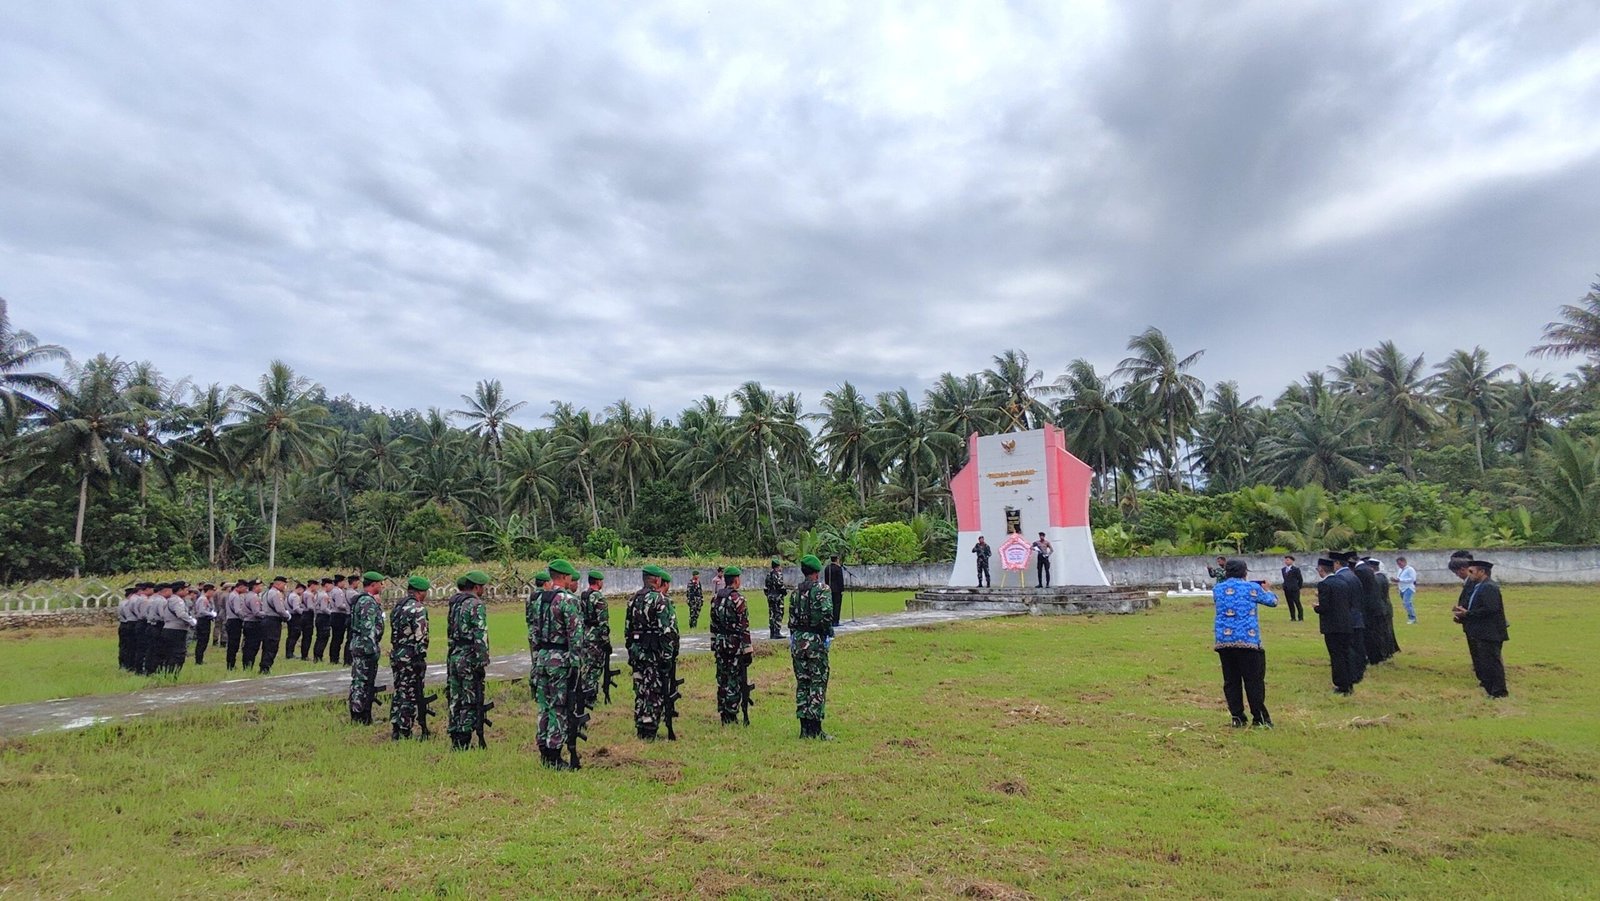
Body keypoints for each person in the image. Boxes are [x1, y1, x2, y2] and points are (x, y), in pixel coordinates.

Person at [530, 559, 586, 769]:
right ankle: (554, 753)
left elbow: (534, 633)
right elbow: (575, 635)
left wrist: (537, 657)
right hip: (561, 660)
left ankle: (544, 749)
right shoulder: (568, 600)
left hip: (543, 658)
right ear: (563, 576)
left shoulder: (539, 599)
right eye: (570, 576)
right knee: (559, 707)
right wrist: (576, 663)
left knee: (544, 705)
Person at [1211, 559, 1277, 727]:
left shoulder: (1217, 589)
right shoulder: (1252, 588)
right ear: (1245, 572)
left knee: (1231, 681)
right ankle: (1259, 717)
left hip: (1224, 642)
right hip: (1248, 641)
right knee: (1253, 681)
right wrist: (1267, 589)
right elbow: (1272, 602)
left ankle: (1237, 716)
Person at [625, 565, 679, 740]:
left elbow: (627, 630)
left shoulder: (633, 599)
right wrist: (668, 656)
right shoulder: (660, 600)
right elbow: (666, 631)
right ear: (657, 579)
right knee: (654, 691)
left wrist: (631, 651)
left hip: (637, 652)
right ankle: (649, 729)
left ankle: (640, 724)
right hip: (654, 653)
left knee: (640, 689)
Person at [788, 555, 835, 739]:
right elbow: (827, 613)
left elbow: (791, 621)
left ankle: (804, 728)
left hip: (798, 641)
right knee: (817, 682)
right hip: (815, 641)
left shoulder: (795, 593)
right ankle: (816, 728)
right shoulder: (822, 589)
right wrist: (826, 632)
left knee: (803, 683)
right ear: (817, 572)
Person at [446, 570, 491, 751]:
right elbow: (480, 635)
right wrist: (482, 661)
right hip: (469, 657)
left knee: (455, 697)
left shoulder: (456, 603)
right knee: (470, 698)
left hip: (455, 654)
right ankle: (464, 738)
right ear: (477, 587)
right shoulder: (475, 604)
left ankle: (455, 733)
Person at [1453, 560, 1509, 698]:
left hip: (1490, 631)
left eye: (1472, 571)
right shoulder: (1479, 586)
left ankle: (1499, 692)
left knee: (1492, 662)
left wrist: (1468, 614)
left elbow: (1490, 609)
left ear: (1482, 572)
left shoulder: (1489, 587)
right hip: (1481, 631)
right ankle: (1490, 689)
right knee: (1485, 662)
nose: (1469, 574)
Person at [388, 576, 430, 740]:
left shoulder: (398, 607)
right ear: (420, 592)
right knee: (411, 693)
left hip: (397, 654)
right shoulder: (418, 609)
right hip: (411, 656)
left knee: (399, 690)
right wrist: (420, 657)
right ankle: (405, 730)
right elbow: (421, 635)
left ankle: (396, 726)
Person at [710, 566, 754, 725]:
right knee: (734, 678)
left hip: (720, 643)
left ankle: (723, 710)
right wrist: (748, 649)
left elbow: (713, 624)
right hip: (735, 644)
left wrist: (714, 644)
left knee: (722, 678)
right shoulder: (738, 599)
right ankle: (731, 713)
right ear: (736, 580)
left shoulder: (716, 598)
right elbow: (744, 626)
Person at [347, 572, 387, 725]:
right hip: (365, 647)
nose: (382, 586)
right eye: (380, 583)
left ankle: (361, 714)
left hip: (360, 644)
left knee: (361, 681)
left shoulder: (363, 599)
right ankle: (361, 716)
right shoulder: (367, 602)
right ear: (373, 584)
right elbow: (367, 628)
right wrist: (372, 651)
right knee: (363, 682)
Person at [1312, 557, 1356, 694]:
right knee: (1346, 654)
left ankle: (1341, 685)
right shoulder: (1343, 582)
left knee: (1336, 656)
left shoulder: (1324, 584)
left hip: (1332, 626)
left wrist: (1316, 607)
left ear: (1321, 569)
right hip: (1346, 623)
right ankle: (1349, 683)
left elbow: (1324, 607)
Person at [577, 570, 611, 711]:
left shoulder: (583, 596)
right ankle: (590, 696)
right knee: (595, 668)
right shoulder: (599, 597)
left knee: (586, 665)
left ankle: (583, 693)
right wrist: (606, 640)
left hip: (585, 634)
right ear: (598, 581)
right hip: (596, 637)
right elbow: (603, 621)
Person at [159, 581, 198, 675]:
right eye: (186, 590)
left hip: (168, 629)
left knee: (169, 654)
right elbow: (181, 614)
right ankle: (172, 674)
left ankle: (167, 673)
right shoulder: (177, 600)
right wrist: (192, 621)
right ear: (180, 590)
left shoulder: (169, 599)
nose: (187, 592)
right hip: (176, 630)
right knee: (178, 654)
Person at [258, 575, 292, 675]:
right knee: (272, 645)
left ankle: (264, 666)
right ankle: (266, 667)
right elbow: (280, 609)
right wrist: (287, 616)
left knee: (266, 645)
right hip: (273, 621)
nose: (285, 587)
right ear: (279, 584)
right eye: (284, 585)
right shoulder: (276, 593)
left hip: (266, 620)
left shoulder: (266, 592)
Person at [329, 574, 352, 666]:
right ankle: (334, 658)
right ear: (339, 582)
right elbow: (339, 605)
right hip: (338, 615)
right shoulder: (338, 592)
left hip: (334, 615)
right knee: (337, 638)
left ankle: (334, 658)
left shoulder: (333, 591)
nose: (344, 583)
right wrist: (347, 606)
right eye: (343, 582)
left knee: (336, 638)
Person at [223, 581, 247, 671]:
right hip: (235, 621)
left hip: (230, 620)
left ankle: (230, 664)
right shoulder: (236, 596)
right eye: (245, 588)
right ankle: (231, 665)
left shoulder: (231, 595)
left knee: (231, 644)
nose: (245, 590)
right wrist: (245, 616)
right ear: (240, 587)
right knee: (234, 644)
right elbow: (237, 610)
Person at [116, 585, 140, 671]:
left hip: (123, 624)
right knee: (131, 646)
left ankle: (123, 663)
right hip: (130, 623)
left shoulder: (122, 603)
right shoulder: (130, 602)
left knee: (123, 646)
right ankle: (129, 664)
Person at [193, 584, 218, 665]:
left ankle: (200, 659)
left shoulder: (208, 599)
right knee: (202, 641)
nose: (213, 593)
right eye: (212, 591)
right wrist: (211, 614)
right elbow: (202, 611)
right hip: (202, 621)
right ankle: (198, 660)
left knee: (205, 640)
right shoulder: (202, 599)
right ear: (209, 591)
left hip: (206, 621)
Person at [763, 558, 787, 640]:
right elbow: (780, 586)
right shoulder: (778, 574)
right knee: (778, 613)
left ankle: (772, 632)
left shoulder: (768, 575)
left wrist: (768, 595)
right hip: (777, 597)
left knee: (772, 614)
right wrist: (784, 592)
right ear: (778, 566)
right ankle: (777, 632)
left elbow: (765, 588)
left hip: (770, 597)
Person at [312, 577, 334, 663]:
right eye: (331, 585)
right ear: (327, 585)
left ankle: (316, 655)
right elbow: (324, 608)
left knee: (319, 637)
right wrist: (332, 613)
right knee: (323, 637)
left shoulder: (317, 594)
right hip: (324, 617)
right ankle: (318, 656)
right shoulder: (325, 595)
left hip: (318, 616)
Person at [824, 555, 846, 626]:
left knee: (830, 605)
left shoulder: (827, 568)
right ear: (837, 560)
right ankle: (836, 621)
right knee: (837, 605)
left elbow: (826, 579)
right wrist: (842, 589)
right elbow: (840, 580)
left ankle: (830, 620)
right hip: (837, 589)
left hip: (829, 588)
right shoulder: (838, 568)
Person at [1280, 555, 1304, 622]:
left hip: (1294, 589)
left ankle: (1300, 617)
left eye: (1288, 560)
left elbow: (1300, 579)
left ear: (1292, 561)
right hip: (1287, 589)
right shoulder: (1283, 569)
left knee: (1297, 602)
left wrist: (1298, 587)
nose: (1286, 561)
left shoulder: (1296, 569)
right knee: (1290, 603)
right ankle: (1293, 617)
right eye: (1285, 560)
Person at [1395, 556, 1418, 624]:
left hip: (1408, 588)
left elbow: (1413, 579)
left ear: (1404, 562)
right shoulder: (1400, 570)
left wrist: (1401, 580)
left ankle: (1412, 618)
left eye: (1400, 563)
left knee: (1407, 603)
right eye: (1398, 564)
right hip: (1402, 588)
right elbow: (1399, 578)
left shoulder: (1410, 569)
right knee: (1406, 604)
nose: (1399, 565)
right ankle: (1411, 616)